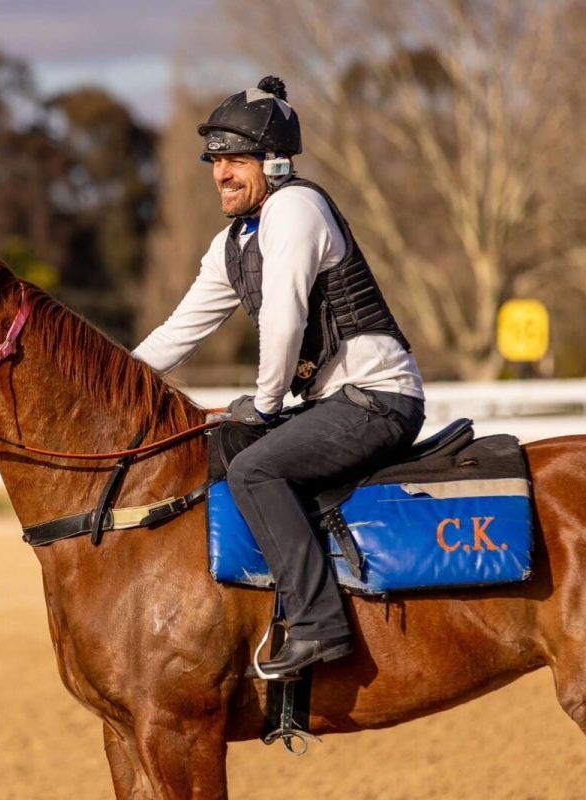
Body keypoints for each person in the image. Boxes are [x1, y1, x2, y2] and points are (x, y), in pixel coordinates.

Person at [132, 76, 426, 677]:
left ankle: (319, 624)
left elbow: (284, 321)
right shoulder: (232, 243)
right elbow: (177, 333)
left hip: (379, 399)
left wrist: (265, 406)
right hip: (335, 406)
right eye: (215, 162)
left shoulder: (296, 208)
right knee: (214, 451)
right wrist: (112, 384)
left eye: (235, 160)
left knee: (257, 467)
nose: (220, 174)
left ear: (275, 162)